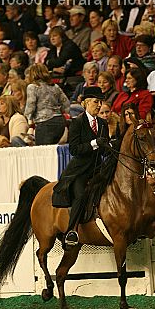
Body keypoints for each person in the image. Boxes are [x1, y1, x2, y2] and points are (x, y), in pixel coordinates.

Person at [52, 86, 109, 248]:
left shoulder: (103, 123)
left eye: (100, 102)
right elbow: (74, 149)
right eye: (96, 102)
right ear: (86, 103)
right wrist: (94, 143)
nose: (99, 105)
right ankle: (71, 231)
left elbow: (104, 151)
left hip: (98, 168)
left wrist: (109, 146)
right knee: (81, 195)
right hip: (80, 171)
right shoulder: (77, 123)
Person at [25, 63, 70, 146]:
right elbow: (66, 104)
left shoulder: (32, 87)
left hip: (45, 123)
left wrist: (28, 118)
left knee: (43, 151)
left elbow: (31, 106)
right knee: (53, 150)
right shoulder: (55, 86)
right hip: (59, 123)